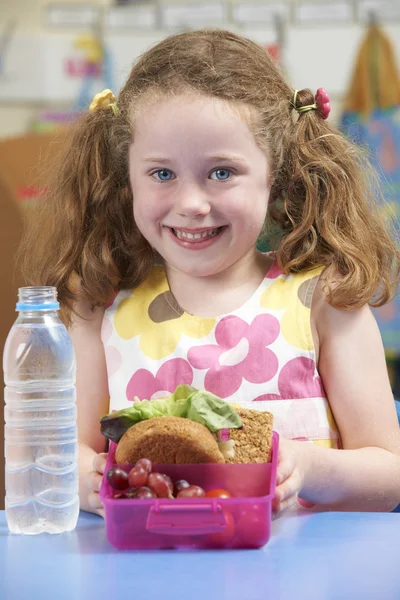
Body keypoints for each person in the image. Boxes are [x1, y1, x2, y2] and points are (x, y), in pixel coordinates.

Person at [19, 29, 400, 518]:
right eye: (162, 174)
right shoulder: (99, 309)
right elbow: (61, 456)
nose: (192, 203)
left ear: (275, 174)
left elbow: (389, 474)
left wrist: (309, 466)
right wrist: (86, 482)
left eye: (222, 172)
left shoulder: (324, 302)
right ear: (127, 178)